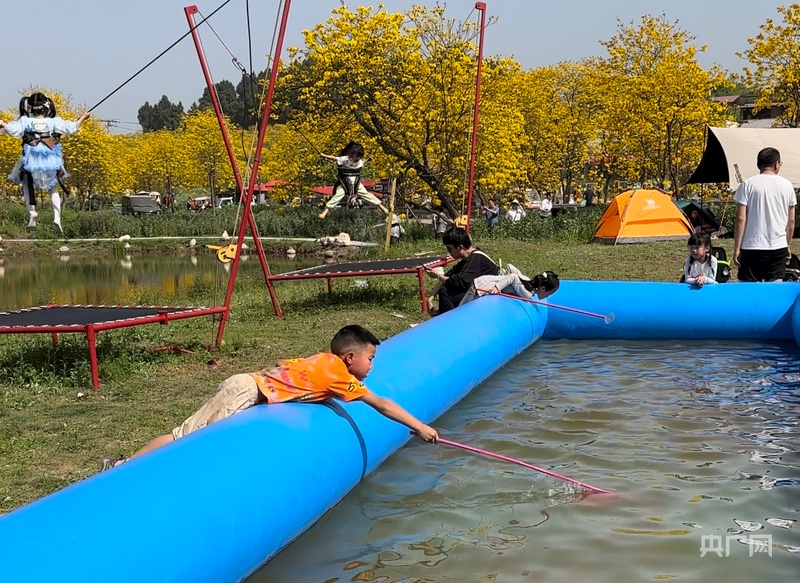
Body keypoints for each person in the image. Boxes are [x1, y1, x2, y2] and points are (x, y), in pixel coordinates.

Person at [100, 325, 439, 470]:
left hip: (248, 387)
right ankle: (121, 469)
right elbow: (381, 403)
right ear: (350, 358)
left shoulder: (324, 362)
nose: (373, 366)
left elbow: (294, 375)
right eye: (371, 359)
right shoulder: (338, 374)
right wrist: (420, 426)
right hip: (245, 390)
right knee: (184, 437)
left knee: (188, 436)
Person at [0, 93, 90, 235]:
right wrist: (83, 117)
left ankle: (32, 213)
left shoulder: (25, 121)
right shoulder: (53, 122)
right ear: (47, 107)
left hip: (31, 160)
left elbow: (12, 130)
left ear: (29, 108)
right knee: (53, 190)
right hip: (50, 160)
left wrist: (2, 122)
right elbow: (72, 128)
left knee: (27, 186)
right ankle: (57, 218)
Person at [733, 147, 796, 282]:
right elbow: (791, 221)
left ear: (758, 165)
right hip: (778, 245)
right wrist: (787, 244)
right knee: (775, 288)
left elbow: (740, 218)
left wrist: (737, 247)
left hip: (751, 245)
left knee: (749, 288)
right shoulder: (787, 185)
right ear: (776, 164)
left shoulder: (747, 184)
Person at [424, 227, 498, 315]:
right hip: (480, 293)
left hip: (489, 296)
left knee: (446, 291)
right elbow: (446, 278)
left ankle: (447, 320)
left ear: (460, 247)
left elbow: (457, 283)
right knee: (446, 287)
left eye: (449, 249)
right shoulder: (467, 259)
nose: (449, 252)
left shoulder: (476, 258)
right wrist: (430, 298)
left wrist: (438, 276)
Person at [318, 141, 389, 219]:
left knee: (367, 195)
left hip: (356, 184)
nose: (358, 159)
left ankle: (381, 207)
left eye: (360, 157)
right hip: (345, 183)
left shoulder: (360, 162)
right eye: (357, 156)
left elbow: (363, 163)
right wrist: (324, 155)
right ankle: (325, 211)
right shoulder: (345, 159)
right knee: (337, 196)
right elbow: (334, 158)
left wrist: (368, 159)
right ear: (352, 154)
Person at [459, 269, 560, 306]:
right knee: (460, 310)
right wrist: (497, 287)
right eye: (549, 294)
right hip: (480, 287)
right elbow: (513, 277)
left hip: (482, 281)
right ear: (543, 289)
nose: (548, 296)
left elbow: (511, 267)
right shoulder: (527, 294)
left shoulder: (527, 281)